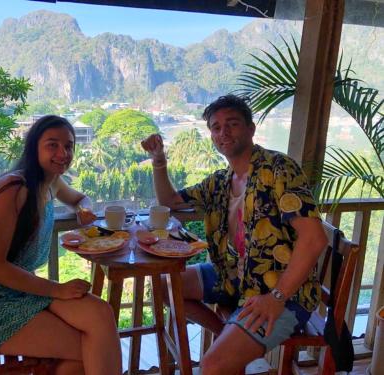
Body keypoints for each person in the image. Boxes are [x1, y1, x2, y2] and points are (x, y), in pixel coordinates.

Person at [141, 95, 328, 374]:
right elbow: (170, 201)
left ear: (251, 129)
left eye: (232, 124)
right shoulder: (220, 181)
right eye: (216, 127)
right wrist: (158, 160)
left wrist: (276, 297)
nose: (223, 133)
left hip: (283, 293)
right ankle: (227, 331)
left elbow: (315, 239)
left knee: (213, 365)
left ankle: (229, 342)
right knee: (167, 286)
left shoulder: (279, 170)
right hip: (236, 278)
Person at [0, 115, 122, 375]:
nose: (62, 153)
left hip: (21, 290)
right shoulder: (13, 188)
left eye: (68, 146)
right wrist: (57, 289)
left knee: (100, 313)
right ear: (34, 147)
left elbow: (81, 198)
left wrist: (82, 209)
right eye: (52, 145)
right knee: (86, 347)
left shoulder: (51, 182)